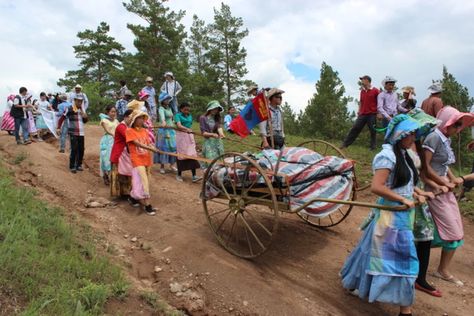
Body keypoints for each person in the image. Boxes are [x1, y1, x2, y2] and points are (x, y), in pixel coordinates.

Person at [341, 114, 434, 316]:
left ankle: (353, 283)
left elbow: (404, 183)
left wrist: (419, 193)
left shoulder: (404, 154)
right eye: (410, 134)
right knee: (405, 259)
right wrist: (403, 199)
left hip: (401, 215)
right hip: (390, 216)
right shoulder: (387, 156)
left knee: (370, 251)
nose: (413, 138)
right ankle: (405, 310)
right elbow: (377, 187)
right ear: (400, 135)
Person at [422, 106, 474, 287]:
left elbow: (444, 165)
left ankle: (442, 270)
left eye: (460, 125)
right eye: (456, 124)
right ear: (446, 123)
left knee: (456, 230)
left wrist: (452, 180)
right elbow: (426, 167)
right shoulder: (433, 137)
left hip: (445, 188)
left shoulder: (445, 139)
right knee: (450, 229)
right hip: (433, 187)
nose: (458, 129)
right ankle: (418, 259)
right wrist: (443, 184)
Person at [126, 110, 159, 215]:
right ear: (134, 120)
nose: (141, 120)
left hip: (146, 159)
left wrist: (153, 147)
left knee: (142, 180)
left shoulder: (144, 131)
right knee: (143, 181)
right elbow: (137, 144)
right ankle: (147, 205)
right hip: (137, 160)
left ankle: (132, 197)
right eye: (139, 118)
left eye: (142, 118)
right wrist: (151, 148)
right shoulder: (129, 131)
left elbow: (149, 143)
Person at [341, 75, 379, 150]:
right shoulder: (362, 91)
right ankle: (345, 144)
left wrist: (379, 113)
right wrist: (359, 110)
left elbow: (380, 102)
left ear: (368, 81)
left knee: (372, 130)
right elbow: (361, 101)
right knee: (355, 128)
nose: (361, 81)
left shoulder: (375, 90)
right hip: (363, 113)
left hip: (372, 113)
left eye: (363, 80)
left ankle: (373, 147)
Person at [110, 109, 138, 206]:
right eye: (131, 117)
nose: (132, 119)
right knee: (119, 175)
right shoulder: (121, 127)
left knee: (125, 174)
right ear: (125, 117)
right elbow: (129, 137)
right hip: (119, 154)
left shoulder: (126, 127)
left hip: (124, 154)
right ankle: (121, 194)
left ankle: (125, 194)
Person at [58, 95, 88, 173]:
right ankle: (72, 166)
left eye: (81, 101)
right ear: (75, 101)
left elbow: (85, 121)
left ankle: (79, 165)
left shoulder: (82, 110)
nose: (80, 103)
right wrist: (58, 127)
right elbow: (62, 117)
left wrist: (85, 116)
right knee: (74, 149)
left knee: (81, 149)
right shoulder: (70, 108)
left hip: (81, 133)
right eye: (78, 101)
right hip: (73, 132)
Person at [175, 102, 201, 182]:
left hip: (189, 136)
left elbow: (190, 125)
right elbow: (179, 125)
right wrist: (186, 129)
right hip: (181, 137)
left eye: (188, 109)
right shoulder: (177, 115)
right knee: (182, 155)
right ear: (181, 109)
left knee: (192, 154)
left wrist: (189, 130)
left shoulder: (190, 116)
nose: (187, 111)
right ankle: (179, 175)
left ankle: (194, 176)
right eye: (185, 109)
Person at [154, 92, 177, 174]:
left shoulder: (169, 108)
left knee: (173, 147)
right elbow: (162, 117)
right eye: (166, 99)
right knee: (163, 147)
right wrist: (163, 122)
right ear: (162, 101)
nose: (167, 100)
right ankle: (162, 166)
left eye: (168, 99)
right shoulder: (161, 108)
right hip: (163, 131)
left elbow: (172, 118)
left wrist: (174, 123)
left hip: (171, 130)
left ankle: (172, 165)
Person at [200, 100, 225, 165]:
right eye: (214, 108)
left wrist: (221, 134)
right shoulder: (203, 118)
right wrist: (212, 134)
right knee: (210, 161)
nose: (215, 110)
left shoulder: (217, 118)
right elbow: (204, 133)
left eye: (217, 109)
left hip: (218, 142)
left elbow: (219, 127)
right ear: (210, 108)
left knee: (219, 160)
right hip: (209, 142)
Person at [99, 105, 119, 185]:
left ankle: (113, 176)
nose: (113, 113)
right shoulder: (104, 120)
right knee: (105, 159)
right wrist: (113, 134)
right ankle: (105, 175)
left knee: (114, 158)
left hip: (115, 140)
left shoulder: (116, 121)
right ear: (108, 112)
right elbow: (106, 130)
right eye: (112, 111)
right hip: (107, 140)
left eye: (114, 111)